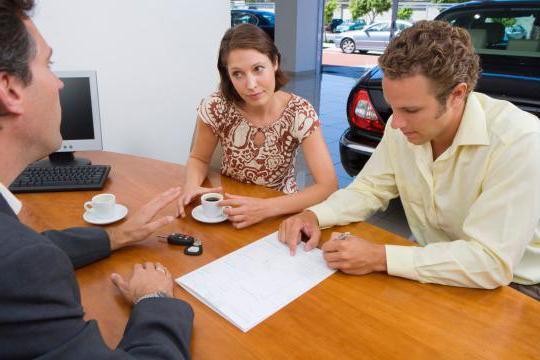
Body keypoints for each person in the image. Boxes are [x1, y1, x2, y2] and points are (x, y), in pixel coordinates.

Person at [279, 20, 540, 299]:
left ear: (457, 95)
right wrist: (314, 215)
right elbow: (369, 189)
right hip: (429, 261)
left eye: (411, 110)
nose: (396, 123)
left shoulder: (520, 140)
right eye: (393, 107)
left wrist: (380, 257)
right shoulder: (402, 127)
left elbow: (490, 262)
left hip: (515, 285)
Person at [0, 0, 193, 358]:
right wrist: (154, 299)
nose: (59, 83)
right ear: (10, 90)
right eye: (48, 63)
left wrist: (119, 235)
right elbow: (21, 262)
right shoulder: (20, 263)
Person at [177, 24, 337, 229]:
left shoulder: (300, 111)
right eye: (237, 74)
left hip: (280, 212)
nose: (250, 84)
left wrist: (265, 208)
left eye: (258, 69)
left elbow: (328, 186)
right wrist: (191, 186)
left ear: (275, 62)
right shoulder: (216, 106)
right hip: (230, 211)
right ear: (228, 76)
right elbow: (198, 158)